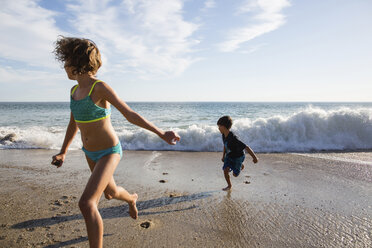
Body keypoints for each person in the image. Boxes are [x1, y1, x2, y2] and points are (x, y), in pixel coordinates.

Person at [51, 36, 180, 248]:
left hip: (109, 152)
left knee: (87, 203)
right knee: (110, 194)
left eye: (66, 61)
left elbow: (130, 114)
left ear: (77, 63)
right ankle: (131, 199)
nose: (64, 66)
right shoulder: (74, 91)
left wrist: (160, 133)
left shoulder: (99, 88)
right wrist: (63, 151)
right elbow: (73, 123)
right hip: (89, 152)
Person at [217, 116, 258, 191]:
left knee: (235, 175)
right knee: (225, 170)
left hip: (238, 157)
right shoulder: (223, 135)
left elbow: (246, 147)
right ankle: (229, 185)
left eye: (219, 126)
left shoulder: (234, 138)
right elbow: (225, 146)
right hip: (229, 155)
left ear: (223, 126)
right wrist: (223, 156)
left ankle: (241, 166)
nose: (218, 128)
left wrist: (254, 157)